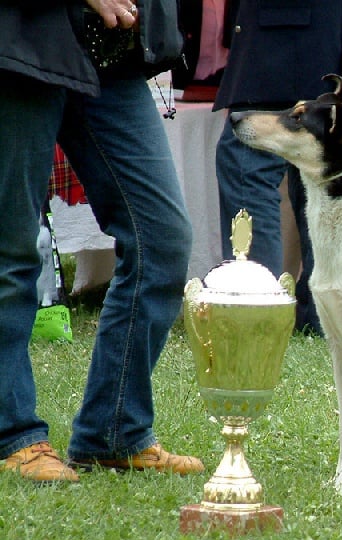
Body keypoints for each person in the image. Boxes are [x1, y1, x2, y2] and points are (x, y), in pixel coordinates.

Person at [0, 0, 205, 482]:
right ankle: (13, 435)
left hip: (113, 56)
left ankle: (114, 433)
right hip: (22, 39)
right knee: (11, 250)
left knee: (162, 238)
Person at [214, 0, 342, 336]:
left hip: (285, 39)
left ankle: (258, 309)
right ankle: (325, 319)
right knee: (324, 180)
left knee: (248, 165)